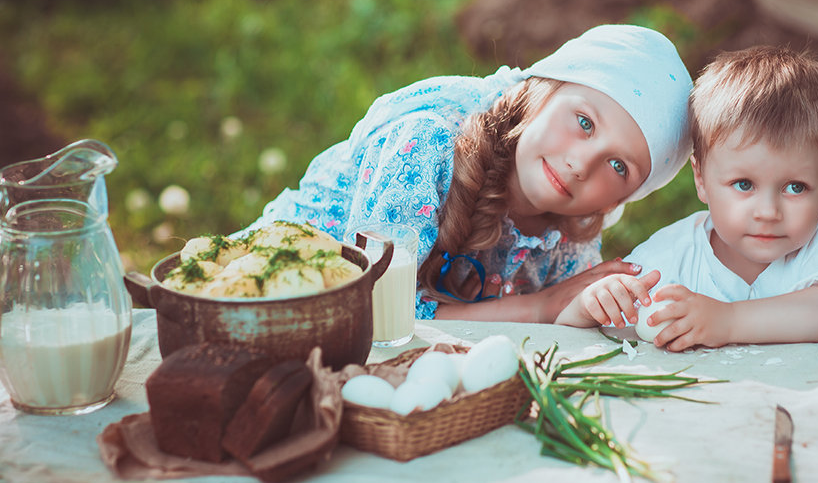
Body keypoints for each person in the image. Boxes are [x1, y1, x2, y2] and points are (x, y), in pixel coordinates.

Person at [243, 24, 693, 322]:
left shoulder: (569, 236)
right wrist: (538, 308)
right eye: (584, 122)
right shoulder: (427, 144)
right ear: (542, 92)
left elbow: (553, 327)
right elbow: (376, 314)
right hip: (264, 292)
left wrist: (580, 307)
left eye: (618, 167)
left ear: (621, 200)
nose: (581, 164)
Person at [556, 45, 818, 350]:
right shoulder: (673, 257)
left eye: (795, 187)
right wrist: (587, 308)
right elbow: (582, 337)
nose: (768, 212)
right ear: (700, 178)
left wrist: (728, 321)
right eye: (744, 184)